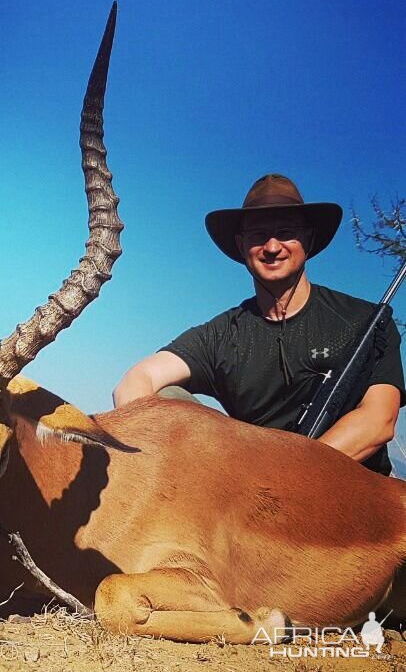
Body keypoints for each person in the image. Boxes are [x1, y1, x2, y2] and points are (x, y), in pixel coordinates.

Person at [113, 174, 404, 475]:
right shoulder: (221, 335)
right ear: (241, 246)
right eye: (258, 235)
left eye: (286, 232)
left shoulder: (364, 320)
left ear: (309, 239)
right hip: (254, 493)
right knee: (165, 397)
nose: (272, 246)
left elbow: (378, 421)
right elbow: (137, 380)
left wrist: (286, 475)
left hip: (355, 490)